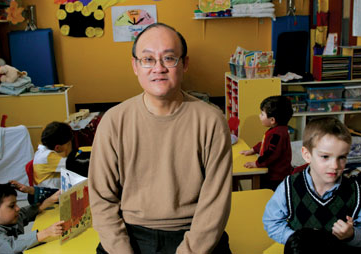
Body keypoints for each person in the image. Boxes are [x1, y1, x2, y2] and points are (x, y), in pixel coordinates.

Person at [88, 23, 233, 254]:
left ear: (184, 64)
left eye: (169, 58)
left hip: (193, 232)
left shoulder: (211, 120)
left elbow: (216, 204)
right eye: (148, 59)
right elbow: (101, 199)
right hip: (131, 233)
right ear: (135, 65)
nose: (158, 68)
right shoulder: (113, 122)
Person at [263, 117, 361, 252]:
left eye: (341, 157)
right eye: (325, 157)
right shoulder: (289, 186)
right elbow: (272, 222)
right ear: (307, 154)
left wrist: (351, 234)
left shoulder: (353, 189)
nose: (334, 166)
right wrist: (297, 240)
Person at [0, 183, 64, 254]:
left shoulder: (7, 220)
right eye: (12, 206)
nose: (17, 208)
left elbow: (24, 214)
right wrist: (45, 233)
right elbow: (11, 245)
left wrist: (48, 201)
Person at [240, 95, 293, 190]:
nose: (259, 116)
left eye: (262, 114)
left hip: (276, 176)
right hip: (273, 173)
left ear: (272, 120)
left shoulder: (277, 134)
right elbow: (265, 143)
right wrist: (253, 150)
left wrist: (257, 163)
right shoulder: (277, 130)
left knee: (267, 193)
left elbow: (270, 153)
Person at [33, 121, 73, 188]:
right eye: (68, 144)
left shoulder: (40, 152)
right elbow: (72, 165)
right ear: (57, 147)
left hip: (44, 190)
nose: (68, 146)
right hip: (49, 193)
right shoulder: (48, 156)